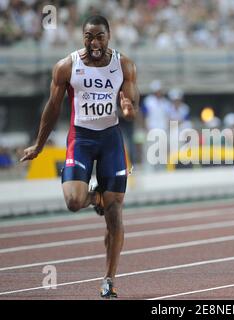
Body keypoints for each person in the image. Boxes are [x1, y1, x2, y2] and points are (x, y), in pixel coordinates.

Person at [20, 15, 139, 298]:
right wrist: (38, 145)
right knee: (74, 201)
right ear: (82, 37)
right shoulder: (66, 66)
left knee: (115, 214)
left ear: (109, 36)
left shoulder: (124, 65)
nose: (94, 43)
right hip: (81, 140)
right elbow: (52, 109)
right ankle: (97, 196)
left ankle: (109, 279)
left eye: (99, 36)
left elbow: (132, 104)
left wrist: (128, 107)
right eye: (89, 37)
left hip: (110, 141)